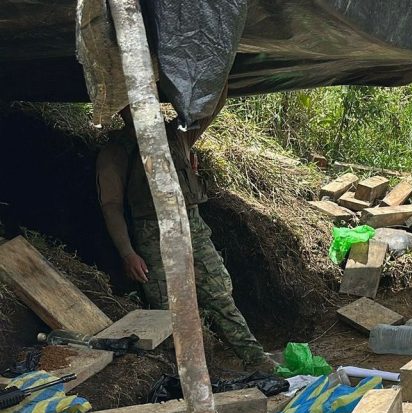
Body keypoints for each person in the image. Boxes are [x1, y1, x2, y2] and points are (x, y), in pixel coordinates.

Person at [95, 91, 276, 372]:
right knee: (167, 308)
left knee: (218, 294)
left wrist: (213, 75)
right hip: (153, 233)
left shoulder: (176, 135)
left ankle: (256, 359)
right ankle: (186, 370)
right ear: (122, 111)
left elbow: (213, 102)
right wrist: (128, 253)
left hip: (192, 225)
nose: (144, 109)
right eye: (133, 105)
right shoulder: (116, 153)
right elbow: (111, 207)